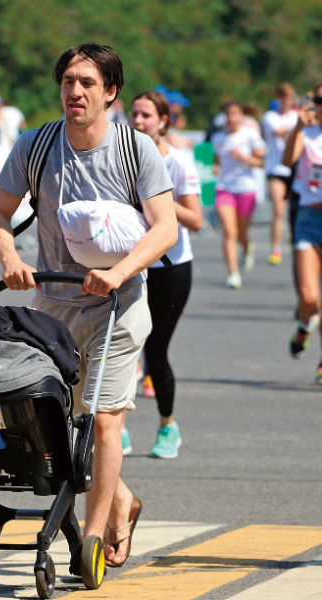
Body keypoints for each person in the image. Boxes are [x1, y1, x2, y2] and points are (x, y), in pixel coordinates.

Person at [0, 43, 177, 568]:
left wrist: (117, 272)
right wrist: (10, 257)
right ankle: (121, 502)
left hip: (120, 304)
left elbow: (166, 227)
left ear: (110, 92)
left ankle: (91, 537)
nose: (75, 91)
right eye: (69, 81)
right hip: (53, 306)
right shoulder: (36, 145)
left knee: (103, 421)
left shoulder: (137, 150)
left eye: (88, 83)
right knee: (61, 421)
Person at [125, 90, 202, 458]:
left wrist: (158, 199)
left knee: (155, 350)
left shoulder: (179, 162)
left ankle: (167, 425)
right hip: (129, 265)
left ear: (163, 122)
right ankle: (117, 428)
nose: (139, 122)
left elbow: (196, 220)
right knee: (123, 346)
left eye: (146, 116)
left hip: (171, 267)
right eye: (134, 115)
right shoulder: (122, 157)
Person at [282, 82, 322, 382]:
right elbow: (287, 161)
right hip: (309, 219)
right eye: (319, 99)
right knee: (309, 297)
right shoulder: (307, 134)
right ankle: (305, 325)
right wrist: (298, 123)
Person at [211, 102, 265, 289]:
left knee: (241, 232)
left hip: (246, 188)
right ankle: (233, 273)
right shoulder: (218, 137)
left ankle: (247, 245)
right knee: (229, 231)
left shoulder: (250, 135)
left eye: (235, 114)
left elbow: (260, 162)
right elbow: (217, 159)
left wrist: (242, 157)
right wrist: (216, 166)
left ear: (242, 116)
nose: (232, 118)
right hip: (225, 188)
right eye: (229, 114)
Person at [261, 83, 298, 265]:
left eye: (290, 98)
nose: (287, 101)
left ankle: (295, 242)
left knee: (296, 210)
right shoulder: (270, 117)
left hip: (295, 168)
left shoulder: (296, 116)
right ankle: (276, 248)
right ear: (278, 99)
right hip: (276, 169)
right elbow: (279, 132)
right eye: (284, 97)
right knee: (278, 209)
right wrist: (298, 127)